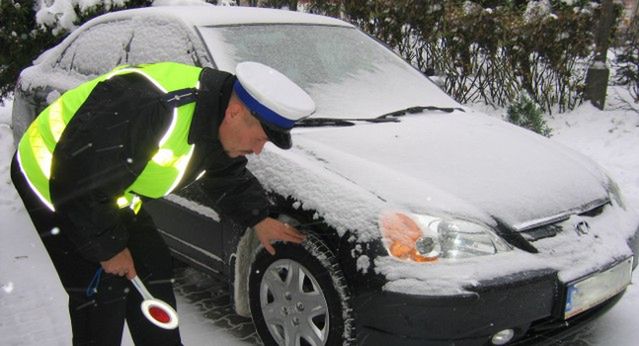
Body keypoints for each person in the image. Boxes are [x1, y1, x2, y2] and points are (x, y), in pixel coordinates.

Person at [10, 61, 315, 345]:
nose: (259, 150)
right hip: (54, 177)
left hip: (110, 190)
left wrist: (258, 217)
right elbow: (76, 176)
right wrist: (109, 249)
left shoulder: (215, 115)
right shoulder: (152, 106)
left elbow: (221, 170)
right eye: (260, 138)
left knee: (153, 269)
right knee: (102, 292)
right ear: (235, 112)